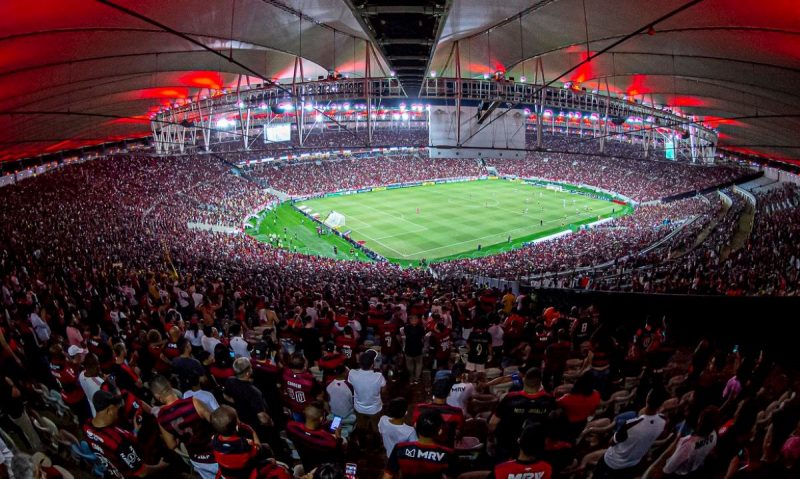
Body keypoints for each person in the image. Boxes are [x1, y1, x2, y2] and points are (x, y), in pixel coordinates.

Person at [83, 390, 168, 478]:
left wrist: (135, 432)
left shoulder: (87, 427)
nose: (118, 412)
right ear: (110, 410)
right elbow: (142, 472)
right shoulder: (119, 442)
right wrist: (161, 466)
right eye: (116, 408)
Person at [150, 375, 218, 479]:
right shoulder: (193, 402)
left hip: (198, 460)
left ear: (157, 396)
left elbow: (171, 445)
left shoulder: (162, 418)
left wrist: (179, 435)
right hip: (216, 452)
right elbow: (216, 422)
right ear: (171, 387)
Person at [594, 387, 667, 479]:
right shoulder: (663, 421)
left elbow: (612, 442)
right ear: (661, 404)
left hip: (613, 462)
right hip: (633, 464)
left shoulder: (631, 424)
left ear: (647, 398)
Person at [490, 368, 555, 462]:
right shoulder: (549, 400)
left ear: (524, 380)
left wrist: (491, 438)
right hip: (535, 446)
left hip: (508, 444)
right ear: (540, 383)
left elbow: (493, 423)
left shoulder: (510, 398)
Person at [209, 406, 291, 479]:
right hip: (247, 474)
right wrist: (252, 431)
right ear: (237, 427)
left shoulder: (214, 440)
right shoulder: (244, 445)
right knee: (272, 460)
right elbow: (259, 449)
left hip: (227, 473)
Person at [383, 410, 457, 479]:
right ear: (439, 431)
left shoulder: (400, 448)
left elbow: (387, 476)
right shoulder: (448, 454)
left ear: (415, 426)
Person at [286, 402, 343, 475]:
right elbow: (338, 456)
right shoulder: (328, 440)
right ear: (321, 418)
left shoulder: (292, 427)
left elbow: (308, 434)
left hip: (307, 466)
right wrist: (338, 438)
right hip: (323, 471)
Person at [662, 406, 718, 477]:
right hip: (693, 469)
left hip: (679, 473)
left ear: (700, 420)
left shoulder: (689, 444)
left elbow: (668, 469)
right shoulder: (714, 435)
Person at [348, 350, 386, 450]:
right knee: (376, 430)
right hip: (375, 409)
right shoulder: (378, 376)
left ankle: (363, 446)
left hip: (359, 408)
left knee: (361, 429)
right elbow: (384, 390)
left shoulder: (352, 374)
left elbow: (351, 386)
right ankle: (377, 447)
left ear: (360, 363)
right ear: (372, 364)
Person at [412, 380, 465, 448]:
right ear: (449, 393)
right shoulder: (456, 412)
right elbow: (458, 433)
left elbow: (415, 427)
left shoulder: (420, 408)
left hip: (422, 449)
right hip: (446, 451)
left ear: (432, 392)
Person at [555, 372, 601, 441]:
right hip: (582, 424)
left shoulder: (567, 399)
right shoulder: (596, 395)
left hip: (566, 424)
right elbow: (592, 411)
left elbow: (555, 404)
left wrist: (556, 393)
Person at [282, 353, 319, 422]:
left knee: (299, 427)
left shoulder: (285, 374)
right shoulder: (309, 379)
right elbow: (317, 395)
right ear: (304, 365)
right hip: (308, 410)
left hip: (294, 407)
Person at [325, 365, 356, 441]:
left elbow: (325, 401)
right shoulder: (349, 385)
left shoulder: (328, 384)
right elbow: (353, 401)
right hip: (347, 415)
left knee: (336, 431)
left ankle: (337, 438)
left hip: (334, 415)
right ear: (344, 373)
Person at [78, 353, 105, 417]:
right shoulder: (100, 383)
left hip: (92, 407)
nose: (99, 366)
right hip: (100, 412)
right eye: (97, 364)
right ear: (92, 366)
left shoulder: (81, 374)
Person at [403, 316, 425, 383]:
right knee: (418, 365)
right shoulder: (421, 328)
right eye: (414, 319)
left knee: (410, 365)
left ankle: (412, 377)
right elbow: (423, 338)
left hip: (409, 350)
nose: (414, 320)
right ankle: (416, 378)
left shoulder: (406, 328)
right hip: (417, 350)